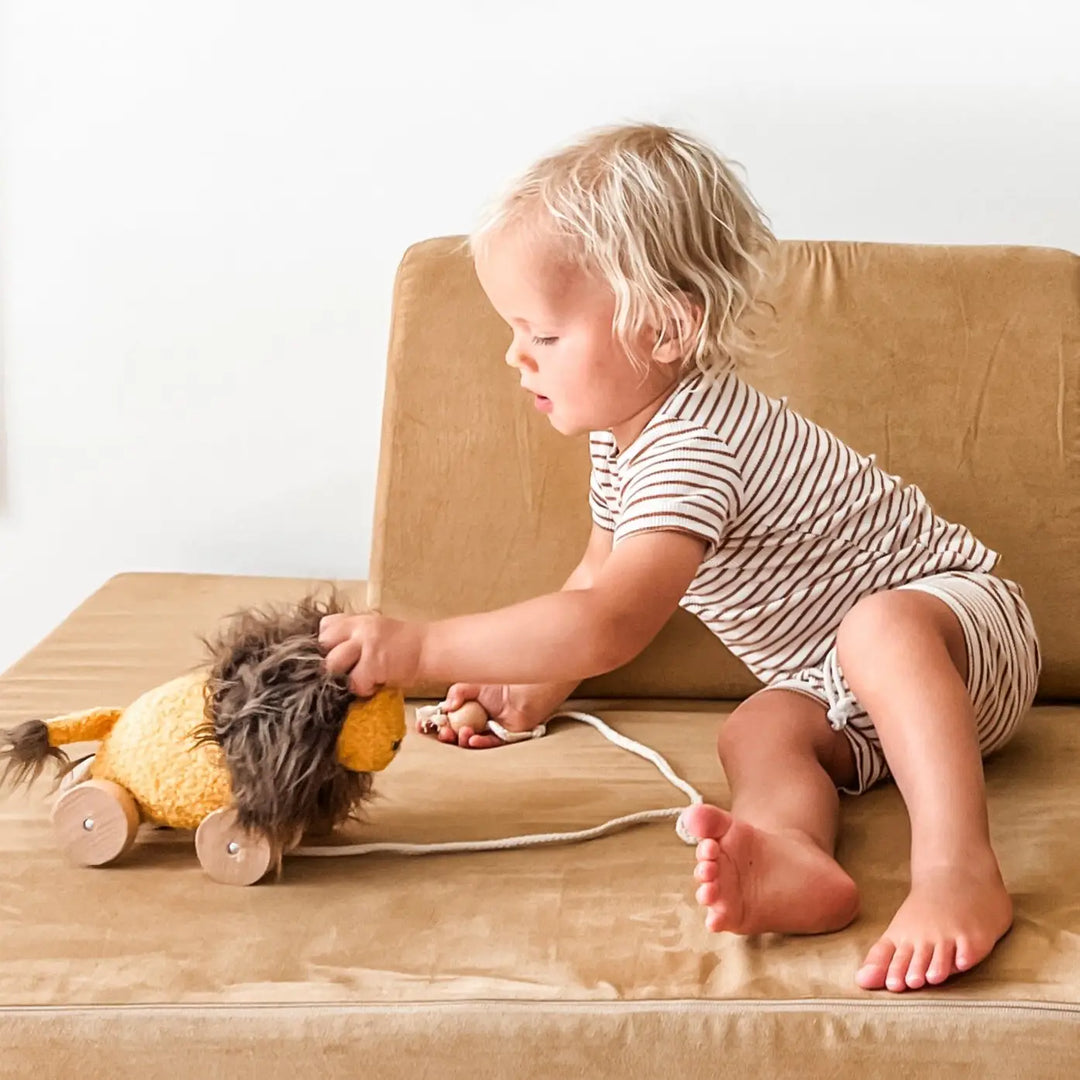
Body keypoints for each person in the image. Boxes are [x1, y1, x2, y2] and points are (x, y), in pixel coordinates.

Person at [319, 122, 1041, 994]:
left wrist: (421, 650)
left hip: (963, 634)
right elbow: (596, 575)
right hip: (841, 696)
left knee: (878, 625)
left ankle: (958, 873)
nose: (514, 355)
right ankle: (792, 855)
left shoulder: (695, 442)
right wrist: (533, 687)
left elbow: (613, 621)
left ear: (662, 329)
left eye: (541, 335)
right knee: (758, 727)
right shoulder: (624, 442)